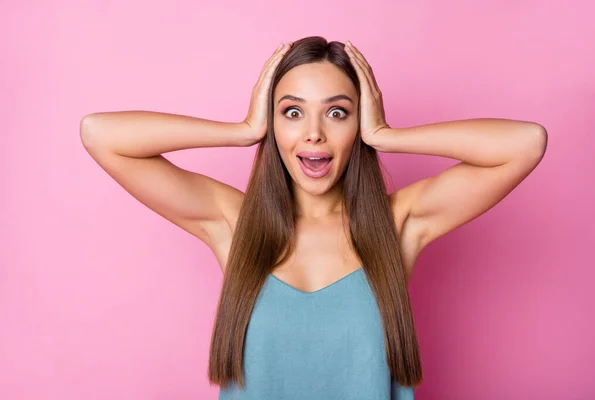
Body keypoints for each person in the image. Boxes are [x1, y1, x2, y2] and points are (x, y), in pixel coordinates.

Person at [79, 36, 547, 399]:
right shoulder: (233, 222)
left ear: (358, 124)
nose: (314, 134)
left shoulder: (399, 222)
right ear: (273, 123)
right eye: (293, 112)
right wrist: (241, 131)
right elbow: (100, 133)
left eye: (337, 113)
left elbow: (525, 143)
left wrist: (386, 135)